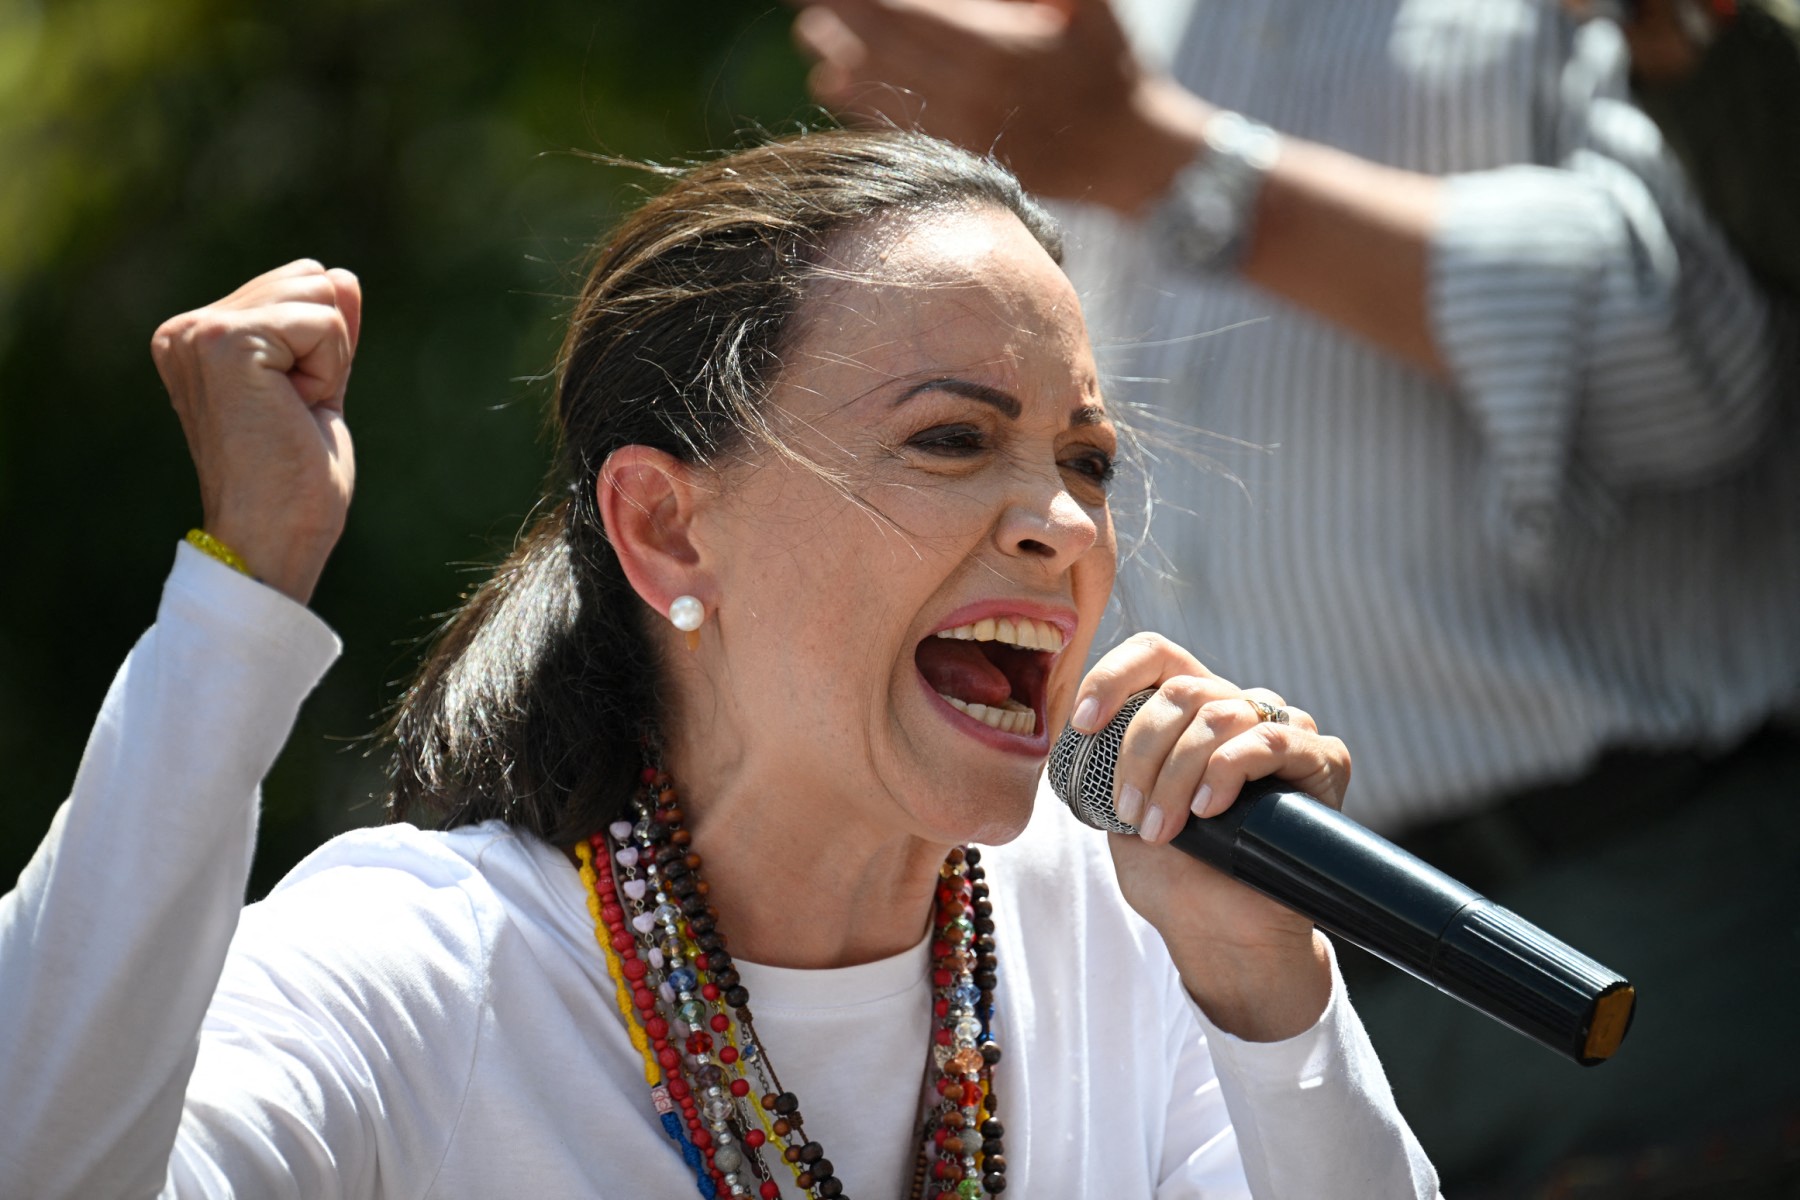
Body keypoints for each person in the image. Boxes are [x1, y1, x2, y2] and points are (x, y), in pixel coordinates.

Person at [0, 131, 1440, 1198]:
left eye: (1086, 460)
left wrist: (1270, 993)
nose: (1064, 525)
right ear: (666, 527)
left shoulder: (1131, 937)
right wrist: (237, 608)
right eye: (953, 438)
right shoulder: (420, 965)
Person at [787, 0, 1800, 1189]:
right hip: (1201, 958)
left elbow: (1703, 375)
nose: (1060, 524)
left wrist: (1157, 159)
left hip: (1617, 921)